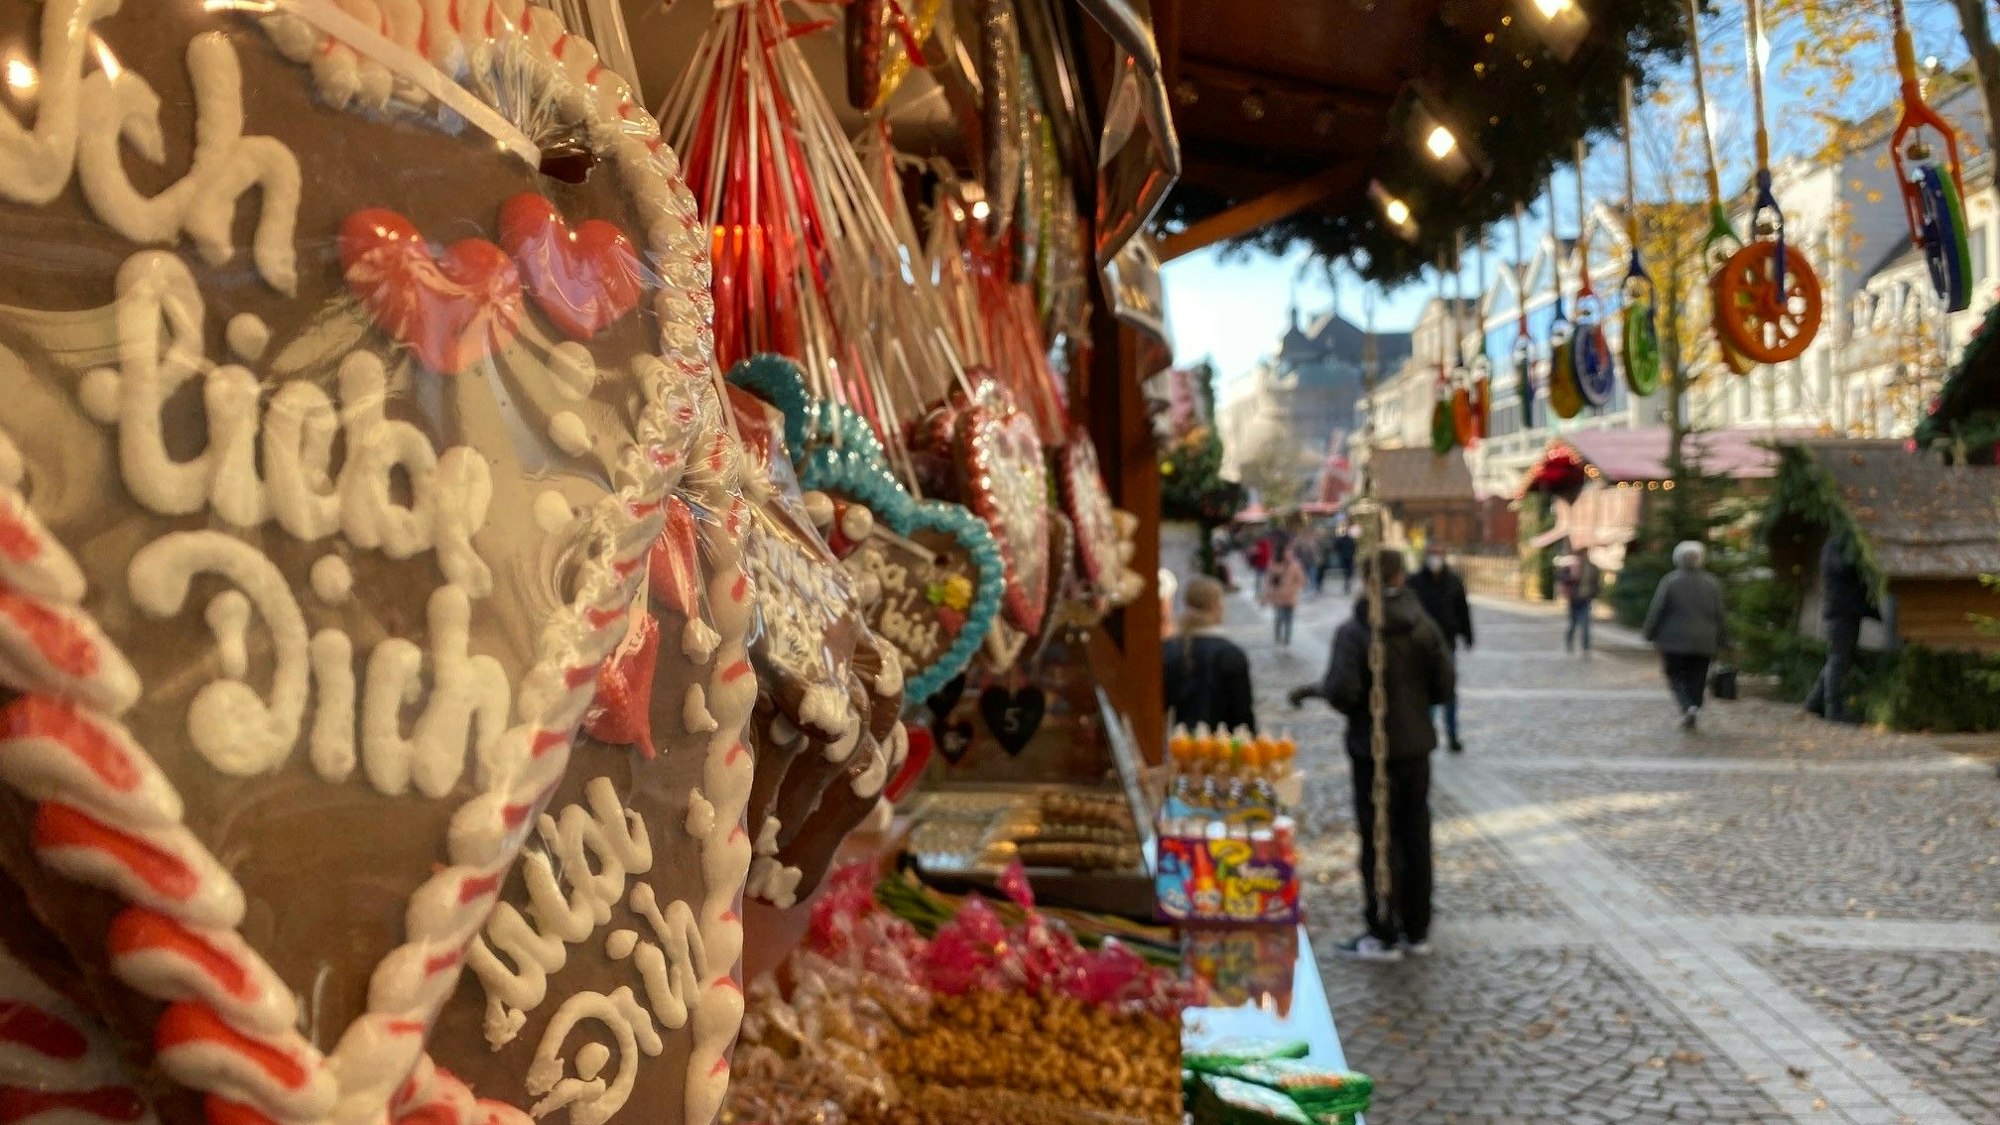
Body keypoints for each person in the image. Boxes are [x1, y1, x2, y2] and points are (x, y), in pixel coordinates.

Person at [1288, 549, 1455, 961]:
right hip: (1416, 746)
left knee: (1379, 836)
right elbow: (1445, 685)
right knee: (1415, 833)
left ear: (1367, 580)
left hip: (1374, 749)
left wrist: (1336, 698)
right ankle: (1416, 927)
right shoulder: (1424, 626)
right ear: (1401, 575)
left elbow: (1344, 691)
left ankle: (1382, 930)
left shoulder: (1356, 631)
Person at [1642, 541, 1729, 731]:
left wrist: (1649, 633)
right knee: (1697, 677)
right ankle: (1694, 705)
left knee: (1674, 675)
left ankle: (1687, 705)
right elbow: (1720, 614)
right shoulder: (1712, 583)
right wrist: (1723, 639)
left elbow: (1658, 610)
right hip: (1705, 641)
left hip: (1674, 641)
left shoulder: (1670, 581)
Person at [1163, 576, 1257, 733]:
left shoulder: (1168, 650)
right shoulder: (1231, 654)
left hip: (1177, 746)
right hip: (1222, 750)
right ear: (1217, 606)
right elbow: (1243, 720)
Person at [1407, 544, 1473, 753]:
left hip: (1447, 644)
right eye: (1432, 554)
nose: (1435, 558)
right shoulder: (1415, 582)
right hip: (1422, 645)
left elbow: (1462, 609)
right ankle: (1426, 734)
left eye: (1438, 554)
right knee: (1427, 693)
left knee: (1448, 690)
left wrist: (1467, 635)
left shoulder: (1453, 581)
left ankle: (1452, 735)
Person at [1805, 532, 1876, 724]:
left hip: (1846, 611)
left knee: (1839, 658)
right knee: (1839, 659)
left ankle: (1815, 702)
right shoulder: (1837, 546)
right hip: (1841, 613)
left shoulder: (1839, 545)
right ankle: (1833, 709)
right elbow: (1844, 568)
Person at [1555, 550, 1602, 653]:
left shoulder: (1592, 568)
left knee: (1584, 624)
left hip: (1585, 599)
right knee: (1573, 623)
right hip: (1575, 599)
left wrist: (1593, 593)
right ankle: (1570, 643)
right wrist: (1571, 578)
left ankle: (1585, 647)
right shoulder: (1572, 566)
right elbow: (1561, 577)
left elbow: (1597, 583)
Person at [1262, 546, 1308, 646]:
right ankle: (1278, 635)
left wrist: (1294, 589)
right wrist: (1267, 594)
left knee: (1289, 619)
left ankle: (1287, 639)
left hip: (1290, 597)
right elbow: (1269, 580)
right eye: (1287, 553)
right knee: (1279, 617)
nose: (1288, 555)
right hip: (1278, 596)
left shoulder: (1296, 565)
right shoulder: (1275, 564)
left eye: (1290, 553)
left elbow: (1302, 580)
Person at [1332, 528, 1359, 594]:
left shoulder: (1342, 540)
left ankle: (1347, 582)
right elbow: (1355, 547)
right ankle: (1347, 582)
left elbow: (1336, 547)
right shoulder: (1351, 540)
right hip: (1349, 557)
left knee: (1346, 571)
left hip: (1344, 557)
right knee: (1349, 571)